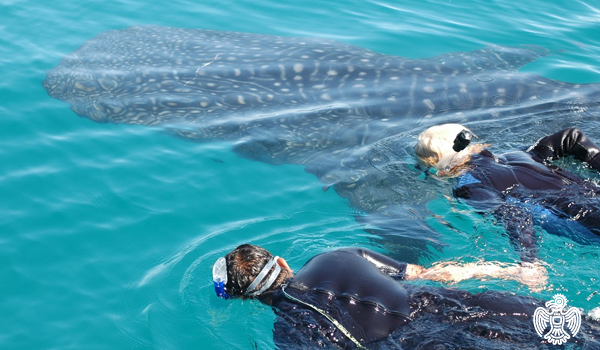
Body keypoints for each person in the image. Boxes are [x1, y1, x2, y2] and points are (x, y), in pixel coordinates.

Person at [210, 244, 586, 349]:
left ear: (246, 299)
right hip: (443, 303)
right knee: (577, 326)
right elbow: (433, 274)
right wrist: (501, 271)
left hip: (419, 343)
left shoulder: (287, 334)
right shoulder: (339, 255)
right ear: (280, 261)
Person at [414, 124, 600, 262]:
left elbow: (511, 212)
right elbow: (571, 136)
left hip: (586, 219)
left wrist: (528, 260)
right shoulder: (519, 154)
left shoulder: (469, 186)